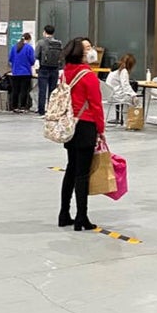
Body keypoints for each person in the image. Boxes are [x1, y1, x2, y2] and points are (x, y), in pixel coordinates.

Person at [58, 37, 105, 231]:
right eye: (87, 49)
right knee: (82, 174)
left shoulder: (65, 73)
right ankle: (81, 217)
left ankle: (64, 213)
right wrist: (101, 130)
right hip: (86, 125)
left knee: (71, 168)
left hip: (70, 125)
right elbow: (96, 105)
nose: (91, 51)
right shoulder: (88, 75)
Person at [35, 25, 64, 116]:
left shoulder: (41, 43)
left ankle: (41, 111)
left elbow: (36, 55)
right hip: (55, 69)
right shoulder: (59, 43)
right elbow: (61, 56)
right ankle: (52, 109)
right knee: (53, 91)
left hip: (43, 68)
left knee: (42, 90)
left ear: (44, 32)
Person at [9, 32, 36, 113]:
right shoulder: (29, 48)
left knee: (15, 90)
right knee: (24, 90)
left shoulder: (14, 47)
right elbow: (32, 61)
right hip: (26, 72)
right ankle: (23, 107)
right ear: (29, 39)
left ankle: (14, 106)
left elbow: (10, 59)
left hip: (15, 72)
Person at [107, 53, 138, 118]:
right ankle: (128, 120)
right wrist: (134, 95)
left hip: (109, 92)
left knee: (129, 98)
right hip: (115, 94)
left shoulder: (116, 66)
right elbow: (125, 85)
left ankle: (126, 120)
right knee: (133, 100)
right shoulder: (124, 71)